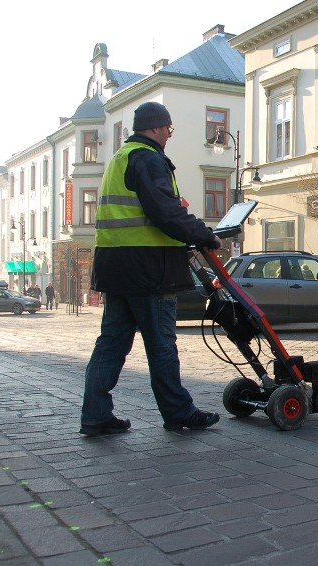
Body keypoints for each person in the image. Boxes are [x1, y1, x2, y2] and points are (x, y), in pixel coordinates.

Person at [79, 101, 223, 436]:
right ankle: (178, 412)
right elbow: (163, 212)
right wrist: (204, 235)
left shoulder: (120, 158)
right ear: (157, 128)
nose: (169, 137)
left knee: (111, 343)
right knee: (161, 345)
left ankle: (96, 414)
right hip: (148, 268)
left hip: (115, 268)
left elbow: (146, 210)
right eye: (169, 131)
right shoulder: (149, 158)